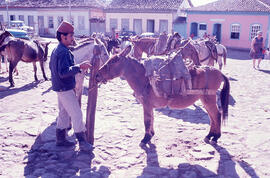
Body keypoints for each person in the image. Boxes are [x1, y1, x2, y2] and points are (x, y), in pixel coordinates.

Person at [49, 21, 93, 152]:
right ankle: (83, 142)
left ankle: (60, 139)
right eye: (71, 35)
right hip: (64, 88)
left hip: (60, 87)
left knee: (64, 113)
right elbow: (63, 72)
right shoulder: (62, 52)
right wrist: (79, 67)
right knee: (77, 114)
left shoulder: (59, 49)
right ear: (63, 37)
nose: (73, 38)